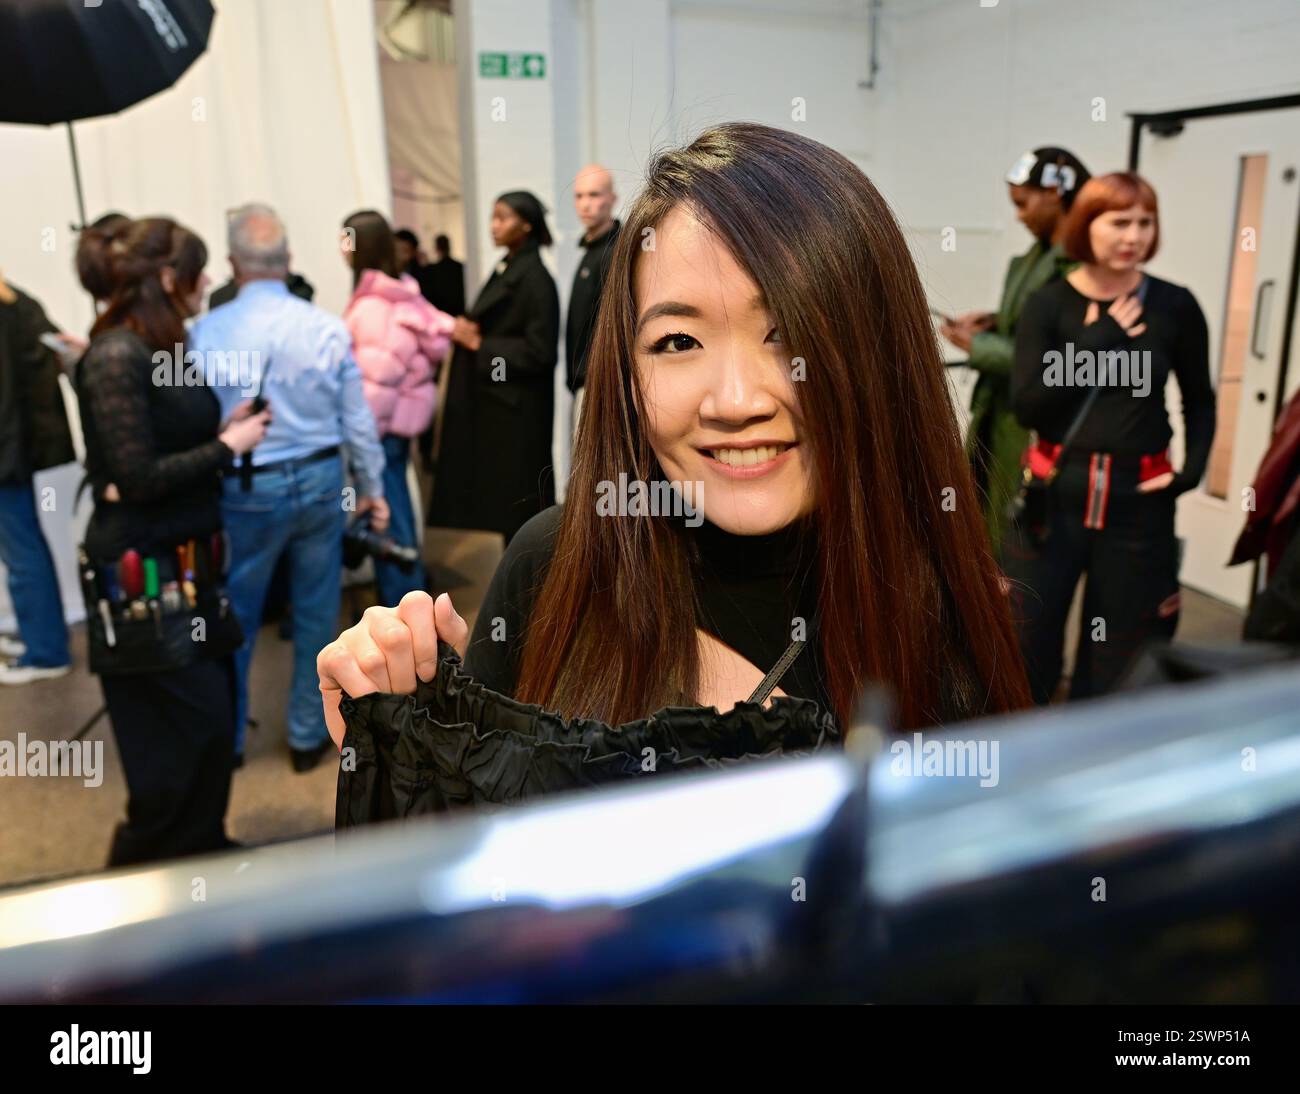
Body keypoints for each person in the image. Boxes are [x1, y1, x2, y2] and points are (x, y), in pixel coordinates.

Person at [320, 122, 1030, 762]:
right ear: (626, 373)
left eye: (788, 334)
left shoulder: (940, 609)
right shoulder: (554, 567)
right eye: (678, 340)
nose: (737, 401)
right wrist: (400, 753)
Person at [76, 216, 271, 864]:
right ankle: (141, 895)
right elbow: (134, 476)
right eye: (196, 268)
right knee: (172, 757)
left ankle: (203, 858)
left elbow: (151, 453)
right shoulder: (115, 355)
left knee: (212, 730)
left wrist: (223, 431)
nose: (207, 279)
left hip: (192, 568)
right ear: (167, 278)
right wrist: (225, 446)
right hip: (144, 577)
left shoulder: (159, 348)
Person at [189, 203, 389, 772]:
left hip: (248, 488)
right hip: (325, 480)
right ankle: (307, 735)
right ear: (289, 260)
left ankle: (228, 740)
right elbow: (357, 421)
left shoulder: (204, 332)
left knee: (239, 614)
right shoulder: (324, 326)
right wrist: (372, 488)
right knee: (315, 609)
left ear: (232, 263)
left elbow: (197, 421)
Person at [1005, 172, 1217, 703]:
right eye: (1119, 222)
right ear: (1086, 226)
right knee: (1027, 640)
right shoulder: (1048, 304)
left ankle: (1097, 758)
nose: (1134, 235)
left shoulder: (1175, 306)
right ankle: (1019, 761)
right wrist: (1101, 339)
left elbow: (1199, 398)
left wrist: (1189, 473)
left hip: (1137, 503)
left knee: (1124, 649)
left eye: (1145, 222)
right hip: (1053, 498)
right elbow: (1027, 404)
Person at [941, 147, 1090, 559]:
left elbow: (1062, 359)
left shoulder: (1080, 269)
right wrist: (995, 321)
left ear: (1055, 194)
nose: (1019, 216)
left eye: (1023, 205)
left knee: (1010, 536)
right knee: (977, 520)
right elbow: (1034, 326)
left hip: (1035, 428)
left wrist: (980, 347)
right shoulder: (1032, 259)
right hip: (999, 411)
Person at [425, 191, 560, 545]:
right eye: (493, 217)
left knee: (521, 509)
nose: (493, 226)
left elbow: (540, 351)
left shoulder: (535, 279)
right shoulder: (508, 267)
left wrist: (480, 345)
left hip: (518, 414)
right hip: (501, 410)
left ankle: (533, 590)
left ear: (526, 225)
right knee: (507, 508)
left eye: (503, 218)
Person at [341, 209, 454, 606]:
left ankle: (403, 610)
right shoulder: (399, 293)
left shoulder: (375, 304)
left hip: (381, 428)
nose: (342, 248)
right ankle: (409, 602)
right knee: (396, 509)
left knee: (387, 517)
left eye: (347, 239)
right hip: (392, 428)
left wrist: (361, 437)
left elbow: (378, 381)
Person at [0, 270, 75, 683]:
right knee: (24, 547)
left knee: (21, 551)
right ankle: (39, 635)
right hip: (17, 450)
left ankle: (45, 651)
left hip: (6, 454)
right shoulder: (19, 303)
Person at [565, 163, 621, 437]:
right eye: (579, 196)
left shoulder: (617, 251)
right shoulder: (589, 251)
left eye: (595, 195)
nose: (586, 205)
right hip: (582, 384)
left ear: (612, 199)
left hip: (603, 386)